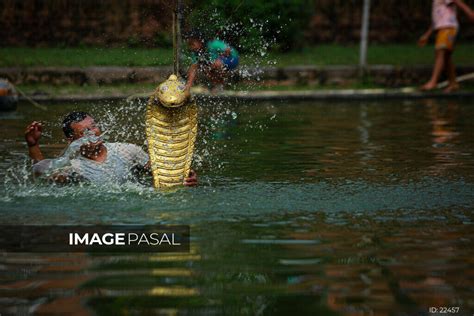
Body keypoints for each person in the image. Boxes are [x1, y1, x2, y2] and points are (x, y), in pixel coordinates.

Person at [24, 111, 197, 186]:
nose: (94, 132)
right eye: (85, 131)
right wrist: (33, 145)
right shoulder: (73, 167)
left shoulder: (127, 151)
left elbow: (162, 172)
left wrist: (184, 177)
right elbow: (42, 173)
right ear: (71, 139)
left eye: (94, 126)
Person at [419, 0, 462, 92]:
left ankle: (433, 82)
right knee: (446, 57)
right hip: (443, 28)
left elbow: (458, 2)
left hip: (448, 27)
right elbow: (438, 19)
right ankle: (453, 83)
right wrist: (427, 34)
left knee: (440, 52)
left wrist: (470, 13)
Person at [184, 30, 239, 94]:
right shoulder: (196, 53)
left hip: (232, 59)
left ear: (200, 41)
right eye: (189, 45)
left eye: (192, 44)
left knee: (215, 65)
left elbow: (228, 50)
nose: (191, 47)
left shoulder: (212, 44)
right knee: (206, 69)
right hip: (217, 63)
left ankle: (223, 83)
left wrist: (220, 58)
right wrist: (188, 87)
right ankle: (219, 85)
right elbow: (193, 69)